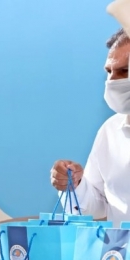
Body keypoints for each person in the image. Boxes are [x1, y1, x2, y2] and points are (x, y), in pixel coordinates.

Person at [50, 28, 130, 226]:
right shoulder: (110, 131)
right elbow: (97, 206)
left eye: (124, 71)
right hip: (121, 246)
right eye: (109, 72)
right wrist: (75, 184)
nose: (112, 81)